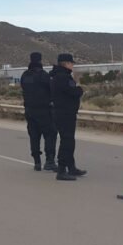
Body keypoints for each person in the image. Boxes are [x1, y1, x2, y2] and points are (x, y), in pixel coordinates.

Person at [50, 53, 87, 181]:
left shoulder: (59, 76)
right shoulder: (63, 77)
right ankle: (61, 170)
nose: (72, 65)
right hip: (64, 113)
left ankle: (71, 167)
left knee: (69, 140)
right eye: (71, 63)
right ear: (66, 64)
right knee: (67, 141)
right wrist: (80, 90)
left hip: (64, 112)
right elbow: (72, 92)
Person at [20, 52, 57, 171]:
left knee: (34, 136)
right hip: (44, 110)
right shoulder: (43, 75)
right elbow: (51, 89)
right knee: (50, 135)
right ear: (40, 61)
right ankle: (50, 161)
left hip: (29, 110)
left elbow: (24, 88)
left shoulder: (25, 75)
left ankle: (37, 162)